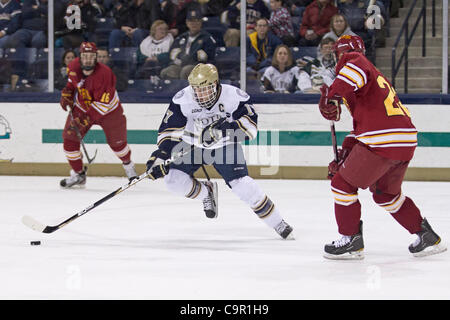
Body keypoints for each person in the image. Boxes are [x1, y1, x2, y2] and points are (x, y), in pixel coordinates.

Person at [318, 35, 446, 259]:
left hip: (383, 139)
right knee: (386, 195)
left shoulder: (354, 61)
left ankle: (351, 240)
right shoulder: (370, 76)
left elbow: (348, 80)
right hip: (402, 139)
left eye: (337, 52)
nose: (336, 58)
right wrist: (344, 155)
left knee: (342, 185)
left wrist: (332, 96)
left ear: (343, 52)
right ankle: (426, 236)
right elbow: (361, 128)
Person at [146, 63, 294, 239]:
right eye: (196, 90)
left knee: (243, 185)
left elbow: (250, 128)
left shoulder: (234, 96)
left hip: (224, 145)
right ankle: (206, 192)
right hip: (191, 145)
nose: (200, 95)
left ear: (215, 85)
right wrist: (160, 157)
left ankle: (277, 222)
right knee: (173, 181)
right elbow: (168, 131)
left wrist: (222, 130)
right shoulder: (182, 99)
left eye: (205, 89)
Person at [59, 42, 137, 188]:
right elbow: (71, 84)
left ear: (96, 58)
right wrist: (67, 94)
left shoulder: (105, 74)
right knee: (69, 141)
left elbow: (102, 105)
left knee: (118, 145)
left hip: (109, 112)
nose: (87, 59)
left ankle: (128, 165)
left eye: (91, 56)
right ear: (80, 57)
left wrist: (83, 120)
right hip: (82, 107)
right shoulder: (73, 66)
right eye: (84, 56)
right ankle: (78, 174)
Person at [160, 9, 217, 80]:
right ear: (187, 23)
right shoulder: (181, 37)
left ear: (201, 22)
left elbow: (210, 58)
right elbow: (172, 54)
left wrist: (196, 59)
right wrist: (176, 59)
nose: (194, 23)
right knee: (166, 71)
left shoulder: (207, 38)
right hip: (180, 65)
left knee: (186, 71)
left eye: (197, 20)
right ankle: (172, 91)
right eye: (191, 21)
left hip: (198, 66)